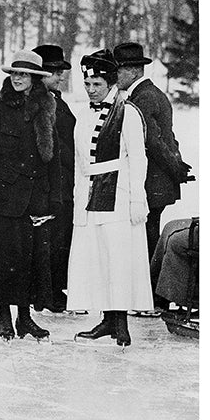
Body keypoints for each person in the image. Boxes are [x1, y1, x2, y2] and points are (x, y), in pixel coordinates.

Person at [67, 49, 154, 346]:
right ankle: (106, 319)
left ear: (111, 84)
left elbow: (138, 157)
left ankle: (121, 323)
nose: (91, 91)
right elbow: (81, 160)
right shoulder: (83, 115)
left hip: (118, 192)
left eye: (97, 86)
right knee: (98, 257)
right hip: (91, 192)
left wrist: (136, 199)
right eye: (88, 85)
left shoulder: (127, 112)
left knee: (118, 257)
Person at [0, 50, 61, 341]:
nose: (17, 79)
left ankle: (25, 318)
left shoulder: (47, 108)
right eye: (14, 74)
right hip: (4, 195)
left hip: (35, 196)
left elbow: (54, 158)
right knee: (4, 258)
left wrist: (54, 198)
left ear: (35, 79)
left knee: (31, 259)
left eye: (23, 75)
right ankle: (4, 316)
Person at [114, 41, 194, 316]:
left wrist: (175, 169)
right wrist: (177, 167)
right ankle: (151, 297)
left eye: (118, 71)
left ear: (133, 71)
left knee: (147, 238)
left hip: (152, 183)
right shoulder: (147, 94)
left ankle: (151, 299)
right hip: (157, 181)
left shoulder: (144, 97)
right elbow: (165, 139)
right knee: (149, 237)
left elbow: (153, 141)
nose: (115, 77)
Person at [32, 44, 77, 313]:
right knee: (50, 238)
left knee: (59, 238)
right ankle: (47, 293)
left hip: (65, 181)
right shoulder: (40, 101)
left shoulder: (56, 99)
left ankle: (52, 289)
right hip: (52, 183)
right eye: (55, 71)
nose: (61, 76)